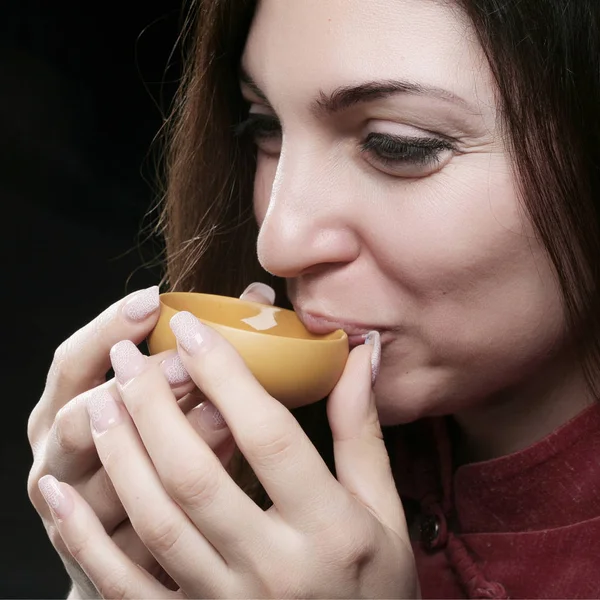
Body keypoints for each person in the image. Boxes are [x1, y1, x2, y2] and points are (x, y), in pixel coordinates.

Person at [27, 0, 600, 597]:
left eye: (397, 145)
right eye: (264, 126)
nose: (277, 244)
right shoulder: (257, 484)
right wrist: (116, 578)